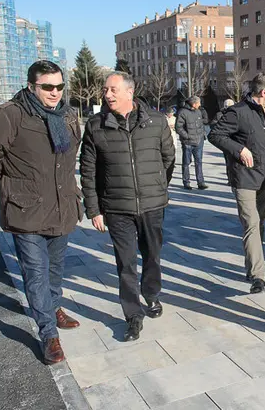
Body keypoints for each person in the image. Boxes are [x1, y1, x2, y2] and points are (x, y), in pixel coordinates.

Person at [0, 60, 81, 365]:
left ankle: (54, 306)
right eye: (48, 87)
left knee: (56, 269)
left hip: (62, 207)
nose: (55, 92)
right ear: (32, 86)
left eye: (59, 86)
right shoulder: (10, 115)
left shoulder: (68, 114)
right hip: (28, 211)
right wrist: (13, 186)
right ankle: (48, 333)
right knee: (35, 272)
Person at [79, 71, 175, 341]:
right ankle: (133, 315)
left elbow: (168, 158)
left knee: (153, 255)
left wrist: (156, 186)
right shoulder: (96, 126)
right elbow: (88, 170)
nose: (107, 94)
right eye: (106, 90)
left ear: (129, 92)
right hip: (116, 207)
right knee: (125, 263)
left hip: (152, 204)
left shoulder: (156, 122)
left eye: (113, 89)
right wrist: (94, 209)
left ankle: (152, 293)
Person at [208, 73, 265, 294]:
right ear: (264, 92)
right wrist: (239, 149)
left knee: (258, 225)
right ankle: (258, 276)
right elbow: (215, 135)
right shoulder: (238, 113)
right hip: (245, 178)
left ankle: (253, 269)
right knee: (251, 224)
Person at [175, 96, 208, 190]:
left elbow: (201, 125)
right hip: (187, 142)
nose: (200, 104)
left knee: (199, 162)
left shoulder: (198, 111)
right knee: (186, 163)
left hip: (199, 141)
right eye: (199, 103)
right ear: (194, 104)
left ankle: (200, 182)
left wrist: (202, 135)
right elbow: (179, 128)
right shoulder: (182, 112)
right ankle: (186, 182)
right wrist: (187, 136)